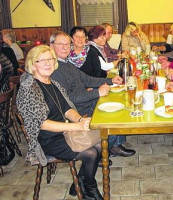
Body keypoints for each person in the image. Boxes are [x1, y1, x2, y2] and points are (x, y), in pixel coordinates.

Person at [17, 45, 103, 199]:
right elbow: (42, 124)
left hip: (63, 131)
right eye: (41, 60)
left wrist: (80, 119)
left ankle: (80, 182)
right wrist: (76, 126)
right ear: (32, 64)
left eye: (50, 59)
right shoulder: (29, 88)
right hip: (45, 139)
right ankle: (89, 188)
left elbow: (66, 109)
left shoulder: (52, 83)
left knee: (98, 143)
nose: (47, 63)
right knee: (90, 153)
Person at [50, 31, 135, 158]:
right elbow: (68, 99)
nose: (65, 47)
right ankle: (104, 149)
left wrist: (110, 80)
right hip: (76, 111)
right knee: (114, 111)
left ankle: (113, 145)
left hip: (84, 101)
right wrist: (97, 93)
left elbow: (87, 79)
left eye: (67, 44)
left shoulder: (66, 64)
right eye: (60, 44)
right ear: (51, 46)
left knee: (117, 100)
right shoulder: (54, 69)